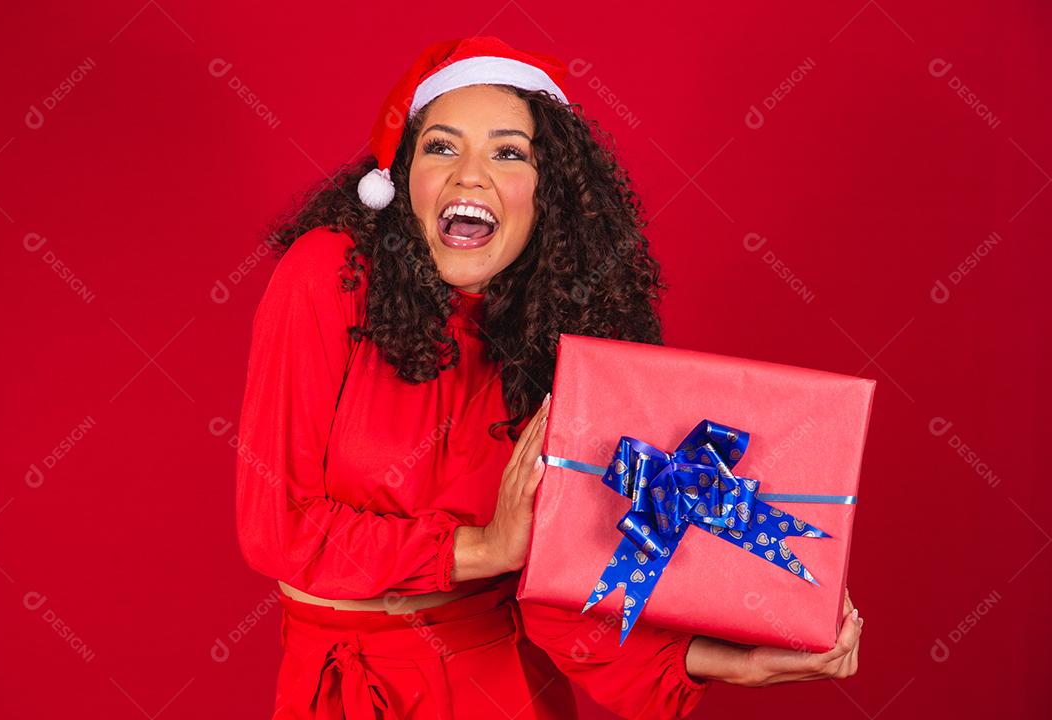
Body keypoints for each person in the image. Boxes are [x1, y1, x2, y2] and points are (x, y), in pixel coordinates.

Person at [235, 35, 863, 719]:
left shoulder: (567, 341)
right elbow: (279, 527)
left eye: (508, 152)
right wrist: (484, 547)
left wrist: (731, 661)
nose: (470, 175)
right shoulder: (327, 277)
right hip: (342, 686)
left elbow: (565, 595)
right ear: (401, 177)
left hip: (500, 686)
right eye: (442, 147)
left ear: (547, 193)